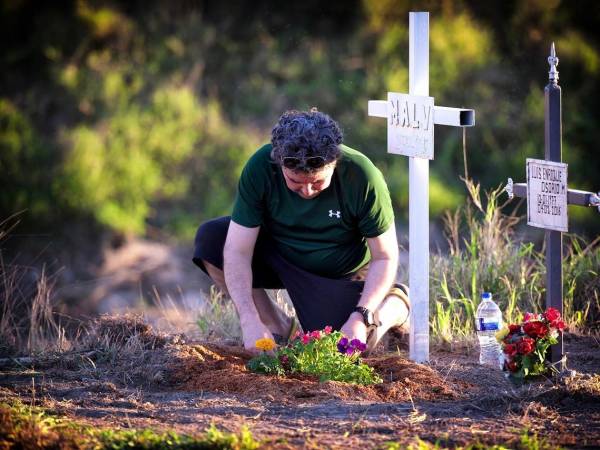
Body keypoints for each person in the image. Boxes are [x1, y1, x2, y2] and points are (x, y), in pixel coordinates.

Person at [193, 108, 409, 353]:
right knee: (213, 240)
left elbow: (385, 256)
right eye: (295, 182)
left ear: (335, 161)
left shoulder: (363, 175)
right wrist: (249, 320)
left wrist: (360, 316)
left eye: (317, 182)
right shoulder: (260, 167)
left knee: (347, 346)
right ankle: (278, 326)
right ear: (279, 161)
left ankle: (396, 302)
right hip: (281, 253)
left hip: (339, 271)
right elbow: (237, 251)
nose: (307, 191)